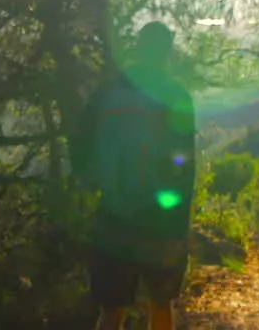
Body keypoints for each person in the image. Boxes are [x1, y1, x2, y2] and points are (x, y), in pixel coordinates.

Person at [73, 21, 196, 330]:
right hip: (159, 218)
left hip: (112, 214)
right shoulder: (175, 95)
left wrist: (90, 181)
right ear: (166, 53)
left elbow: (80, 141)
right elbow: (183, 165)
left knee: (112, 310)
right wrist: (177, 227)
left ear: (139, 48)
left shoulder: (108, 92)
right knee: (161, 304)